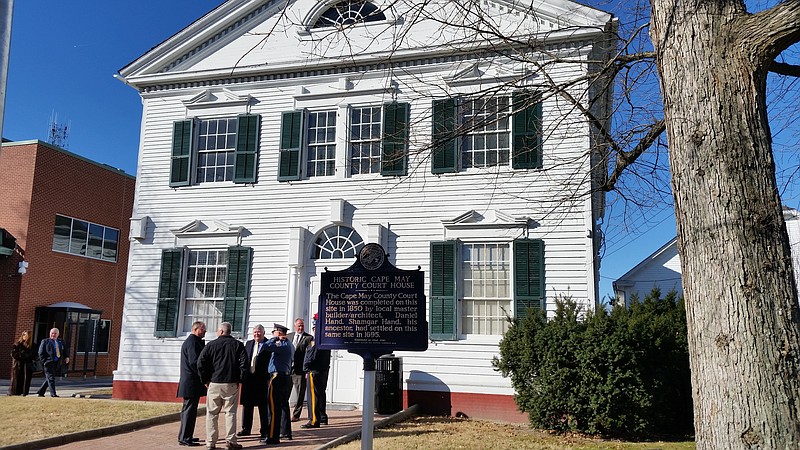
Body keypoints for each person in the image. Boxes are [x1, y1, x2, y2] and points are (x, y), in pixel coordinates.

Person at [197, 322, 246, 450]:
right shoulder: (238, 345)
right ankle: (230, 441)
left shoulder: (211, 345)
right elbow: (244, 364)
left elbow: (200, 363)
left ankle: (210, 442)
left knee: (212, 413)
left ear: (221, 331)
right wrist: (239, 379)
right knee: (230, 413)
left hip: (214, 382)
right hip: (231, 383)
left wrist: (205, 380)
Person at [238, 324, 271, 440]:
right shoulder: (249, 344)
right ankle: (246, 428)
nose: (257, 334)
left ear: (263, 333)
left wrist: (269, 378)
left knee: (263, 406)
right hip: (249, 379)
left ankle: (264, 430)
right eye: (255, 332)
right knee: (247, 405)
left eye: (259, 332)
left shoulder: (268, 344)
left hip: (262, 379)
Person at [262, 323, 293, 445]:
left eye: (274, 332)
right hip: (284, 377)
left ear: (279, 333)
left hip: (277, 377)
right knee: (282, 406)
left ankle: (273, 436)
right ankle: (283, 433)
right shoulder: (289, 344)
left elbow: (266, 346)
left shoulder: (282, 344)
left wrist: (274, 338)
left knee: (274, 408)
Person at [177, 321, 207, 447]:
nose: (205, 331)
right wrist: (204, 376)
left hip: (192, 383)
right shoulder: (192, 343)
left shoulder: (194, 342)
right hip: (191, 383)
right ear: (196, 329)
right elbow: (195, 362)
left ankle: (186, 435)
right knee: (189, 410)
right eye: (203, 329)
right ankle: (185, 437)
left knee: (191, 410)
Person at [301, 314, 331, 428]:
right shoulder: (326, 339)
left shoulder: (315, 341)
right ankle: (322, 417)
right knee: (320, 394)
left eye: (314, 328)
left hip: (314, 371)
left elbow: (311, 357)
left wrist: (306, 369)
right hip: (323, 370)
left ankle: (314, 420)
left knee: (313, 396)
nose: (314, 330)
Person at [286, 318, 313, 422]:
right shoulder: (289, 337)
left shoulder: (309, 338)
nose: (300, 327)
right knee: (286, 392)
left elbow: (309, 355)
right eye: (299, 326)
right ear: (295, 326)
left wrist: (307, 370)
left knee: (300, 394)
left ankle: (296, 415)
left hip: (300, 370)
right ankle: (284, 413)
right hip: (288, 369)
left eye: (302, 325)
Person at [36, 328, 69, 397]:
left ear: (58, 334)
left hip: (57, 363)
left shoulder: (61, 341)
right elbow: (40, 353)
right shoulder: (45, 341)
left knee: (50, 377)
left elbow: (65, 350)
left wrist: (67, 357)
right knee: (51, 378)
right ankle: (53, 393)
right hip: (48, 363)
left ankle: (41, 392)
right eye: (52, 333)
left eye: (55, 333)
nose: (53, 335)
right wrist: (44, 362)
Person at [9, 330, 36, 396]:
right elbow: (13, 354)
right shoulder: (17, 344)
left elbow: (32, 355)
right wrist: (22, 355)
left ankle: (24, 392)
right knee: (16, 379)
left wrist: (25, 355)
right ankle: (14, 392)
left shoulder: (33, 345)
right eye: (23, 334)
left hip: (27, 365)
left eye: (26, 335)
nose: (24, 336)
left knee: (26, 380)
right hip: (18, 365)